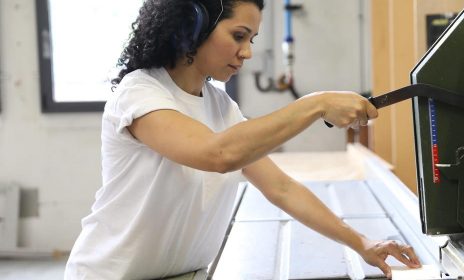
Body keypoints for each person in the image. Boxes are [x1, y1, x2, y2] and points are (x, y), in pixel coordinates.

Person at [64, 0, 421, 279]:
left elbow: (281, 188)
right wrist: (316, 104)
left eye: (251, 40)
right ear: (194, 25)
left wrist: (362, 243)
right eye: (238, 36)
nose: (247, 52)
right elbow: (217, 153)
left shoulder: (220, 106)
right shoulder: (141, 92)